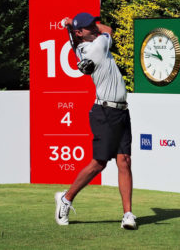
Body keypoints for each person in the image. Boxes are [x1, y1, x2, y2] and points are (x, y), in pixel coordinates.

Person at [55, 12, 136, 230]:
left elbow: (96, 32)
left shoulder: (85, 45)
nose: (95, 27)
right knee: (99, 163)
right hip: (104, 112)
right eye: (90, 26)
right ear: (80, 33)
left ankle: (128, 214)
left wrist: (74, 25)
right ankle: (66, 198)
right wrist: (73, 23)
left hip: (120, 111)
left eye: (94, 24)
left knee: (124, 161)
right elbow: (108, 30)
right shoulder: (97, 46)